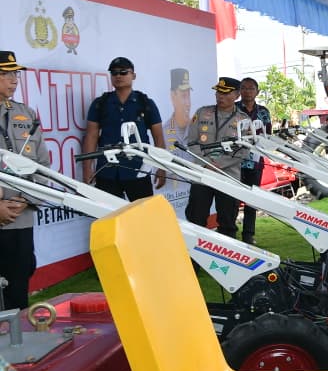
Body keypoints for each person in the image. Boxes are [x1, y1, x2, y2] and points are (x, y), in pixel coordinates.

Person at [0, 51, 50, 310]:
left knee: (18, 287)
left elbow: (42, 165)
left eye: (15, 74)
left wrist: (25, 199)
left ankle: (17, 334)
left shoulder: (26, 114)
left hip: (19, 218)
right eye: (5, 74)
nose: (13, 80)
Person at [82, 57, 166, 200]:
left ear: (133, 75)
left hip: (138, 170)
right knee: (109, 213)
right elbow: (91, 136)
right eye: (114, 73)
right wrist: (87, 168)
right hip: (107, 171)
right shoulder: (100, 103)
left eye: (123, 72)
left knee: (142, 213)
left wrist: (162, 168)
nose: (118, 76)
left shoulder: (145, 103)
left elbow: (158, 137)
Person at [184, 78, 251, 238]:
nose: (220, 96)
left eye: (225, 93)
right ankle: (194, 254)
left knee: (227, 223)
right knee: (196, 219)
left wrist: (217, 164)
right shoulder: (202, 113)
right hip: (202, 175)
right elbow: (192, 142)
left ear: (236, 95)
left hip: (228, 177)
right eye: (218, 92)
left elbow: (243, 150)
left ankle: (228, 253)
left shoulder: (243, 120)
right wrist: (206, 164)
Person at [236, 77, 272, 245]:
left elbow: (268, 135)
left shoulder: (263, 112)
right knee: (233, 199)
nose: (247, 91)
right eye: (244, 88)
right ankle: (229, 233)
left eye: (251, 88)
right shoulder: (233, 109)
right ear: (239, 91)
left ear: (257, 92)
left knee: (252, 199)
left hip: (256, 162)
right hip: (235, 162)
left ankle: (248, 235)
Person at [164, 67, 193, 158]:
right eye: (184, 96)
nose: (188, 103)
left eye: (189, 96)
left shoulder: (198, 130)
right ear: (173, 96)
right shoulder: (163, 133)